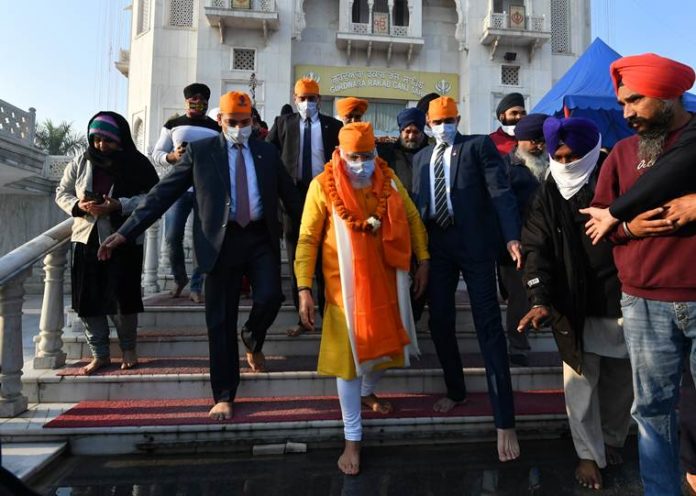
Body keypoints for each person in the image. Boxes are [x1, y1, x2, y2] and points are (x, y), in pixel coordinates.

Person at [98, 92, 303, 421]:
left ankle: (252, 335)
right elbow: (162, 194)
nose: (239, 128)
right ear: (220, 121)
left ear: (253, 121)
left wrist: (318, 232)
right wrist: (126, 232)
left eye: (245, 122)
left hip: (259, 239)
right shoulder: (200, 152)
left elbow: (291, 198)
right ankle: (224, 394)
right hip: (218, 243)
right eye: (232, 122)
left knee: (271, 296)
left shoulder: (267, 153)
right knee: (220, 321)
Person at [580, 53, 696, 496]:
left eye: (635, 101)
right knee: (651, 412)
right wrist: (628, 226)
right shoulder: (624, 153)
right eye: (623, 103)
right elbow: (597, 224)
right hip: (645, 303)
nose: (626, 113)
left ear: (668, 95)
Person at [295, 122, 429, 475]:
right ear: (339, 153)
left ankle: (369, 392)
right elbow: (308, 238)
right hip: (344, 289)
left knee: (388, 346)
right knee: (349, 361)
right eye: (354, 157)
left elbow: (412, 217)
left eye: (367, 156)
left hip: (388, 279)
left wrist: (424, 259)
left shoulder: (388, 180)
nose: (361, 163)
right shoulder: (321, 186)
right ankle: (352, 438)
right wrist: (303, 287)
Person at [517, 116, 633, 491]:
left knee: (622, 382)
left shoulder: (617, 179)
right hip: (573, 304)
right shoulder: (547, 194)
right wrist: (539, 298)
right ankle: (587, 454)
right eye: (559, 157)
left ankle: (611, 441)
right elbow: (536, 249)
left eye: (573, 157)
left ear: (591, 152)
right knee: (579, 384)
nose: (566, 165)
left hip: (621, 297)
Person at [412, 96, 522, 462]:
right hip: (439, 249)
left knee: (488, 326)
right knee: (440, 321)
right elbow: (417, 206)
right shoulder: (421, 158)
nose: (443, 125)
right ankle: (456, 390)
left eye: (449, 119)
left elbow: (501, 193)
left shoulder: (478, 147)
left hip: (476, 248)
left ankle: (505, 420)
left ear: (457, 118)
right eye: (437, 120)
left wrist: (511, 236)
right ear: (428, 124)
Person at [55, 112, 159, 374]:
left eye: (108, 140)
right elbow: (63, 193)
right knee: (88, 301)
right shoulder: (82, 161)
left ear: (120, 139)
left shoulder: (138, 165)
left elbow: (154, 198)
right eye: (96, 139)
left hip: (124, 239)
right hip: (86, 239)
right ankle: (99, 353)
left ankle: (128, 349)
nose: (101, 145)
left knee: (123, 299)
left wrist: (119, 205)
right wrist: (79, 206)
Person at [267, 77, 342, 337]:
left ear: (319, 100)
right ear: (294, 99)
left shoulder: (334, 126)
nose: (308, 103)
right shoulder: (283, 124)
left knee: (326, 252)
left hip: (325, 194)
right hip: (293, 196)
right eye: (302, 98)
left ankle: (326, 313)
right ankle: (302, 314)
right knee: (296, 251)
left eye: (312, 98)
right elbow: (267, 156)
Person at [151, 83, 220, 303]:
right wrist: (172, 157)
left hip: (205, 189)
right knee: (172, 237)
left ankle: (197, 285)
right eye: (193, 100)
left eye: (202, 101)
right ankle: (180, 277)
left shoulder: (216, 127)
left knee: (203, 239)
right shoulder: (173, 124)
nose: (197, 104)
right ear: (186, 101)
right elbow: (157, 153)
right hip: (178, 189)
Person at [498, 113, 549, 366]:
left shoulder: (553, 164)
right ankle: (517, 345)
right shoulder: (506, 167)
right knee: (519, 297)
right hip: (517, 245)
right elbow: (502, 206)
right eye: (533, 140)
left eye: (542, 140)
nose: (539, 145)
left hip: (548, 243)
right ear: (520, 140)